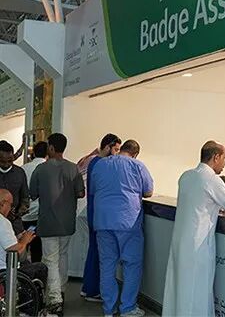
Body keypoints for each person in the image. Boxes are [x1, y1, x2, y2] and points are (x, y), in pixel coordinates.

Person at [162, 141, 225, 317]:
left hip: (181, 242)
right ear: (216, 157)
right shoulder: (212, 180)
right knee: (196, 290)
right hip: (198, 245)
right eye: (224, 158)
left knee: (180, 287)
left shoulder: (186, 176)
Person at [92, 139, 153, 317]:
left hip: (103, 221)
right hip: (128, 222)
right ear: (135, 154)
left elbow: (94, 188)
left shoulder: (100, 164)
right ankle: (128, 308)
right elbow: (148, 192)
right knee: (131, 265)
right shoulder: (137, 165)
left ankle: (108, 309)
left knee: (107, 266)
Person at [30, 133, 85, 316]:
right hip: (67, 222)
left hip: (48, 223)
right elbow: (81, 193)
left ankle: (54, 300)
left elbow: (33, 194)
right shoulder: (73, 168)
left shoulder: (41, 169)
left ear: (51, 147)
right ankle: (60, 290)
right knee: (62, 256)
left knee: (50, 260)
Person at [81, 133, 122, 302]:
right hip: (98, 214)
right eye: (116, 149)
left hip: (94, 211)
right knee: (98, 253)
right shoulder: (101, 163)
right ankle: (92, 290)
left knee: (94, 251)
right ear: (107, 147)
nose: (117, 154)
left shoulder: (93, 161)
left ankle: (88, 287)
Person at [0, 189, 48, 291]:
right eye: (10, 205)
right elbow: (14, 251)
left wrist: (17, 239)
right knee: (40, 267)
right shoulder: (3, 222)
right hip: (5, 271)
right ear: (3, 203)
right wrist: (25, 241)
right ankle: (29, 299)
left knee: (26, 263)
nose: (11, 209)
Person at [21, 141, 48, 263]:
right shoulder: (47, 169)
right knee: (37, 249)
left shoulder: (23, 168)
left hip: (23, 214)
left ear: (34, 153)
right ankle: (35, 271)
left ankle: (20, 271)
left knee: (22, 247)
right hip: (39, 215)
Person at [0, 140, 29, 235]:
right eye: (2, 162)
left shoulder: (19, 173)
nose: (6, 164)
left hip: (15, 225)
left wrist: (18, 212)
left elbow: (25, 198)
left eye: (10, 161)